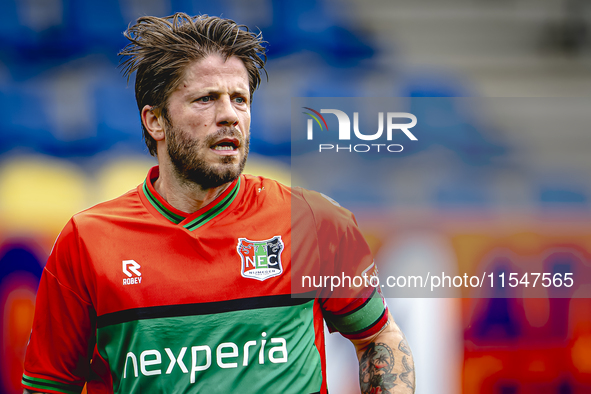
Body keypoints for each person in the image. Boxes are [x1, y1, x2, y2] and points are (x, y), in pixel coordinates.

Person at [22, 13, 414, 394]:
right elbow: (50, 386)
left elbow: (379, 337)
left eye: (239, 99)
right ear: (155, 120)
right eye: (206, 99)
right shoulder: (87, 241)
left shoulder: (312, 220)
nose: (229, 115)